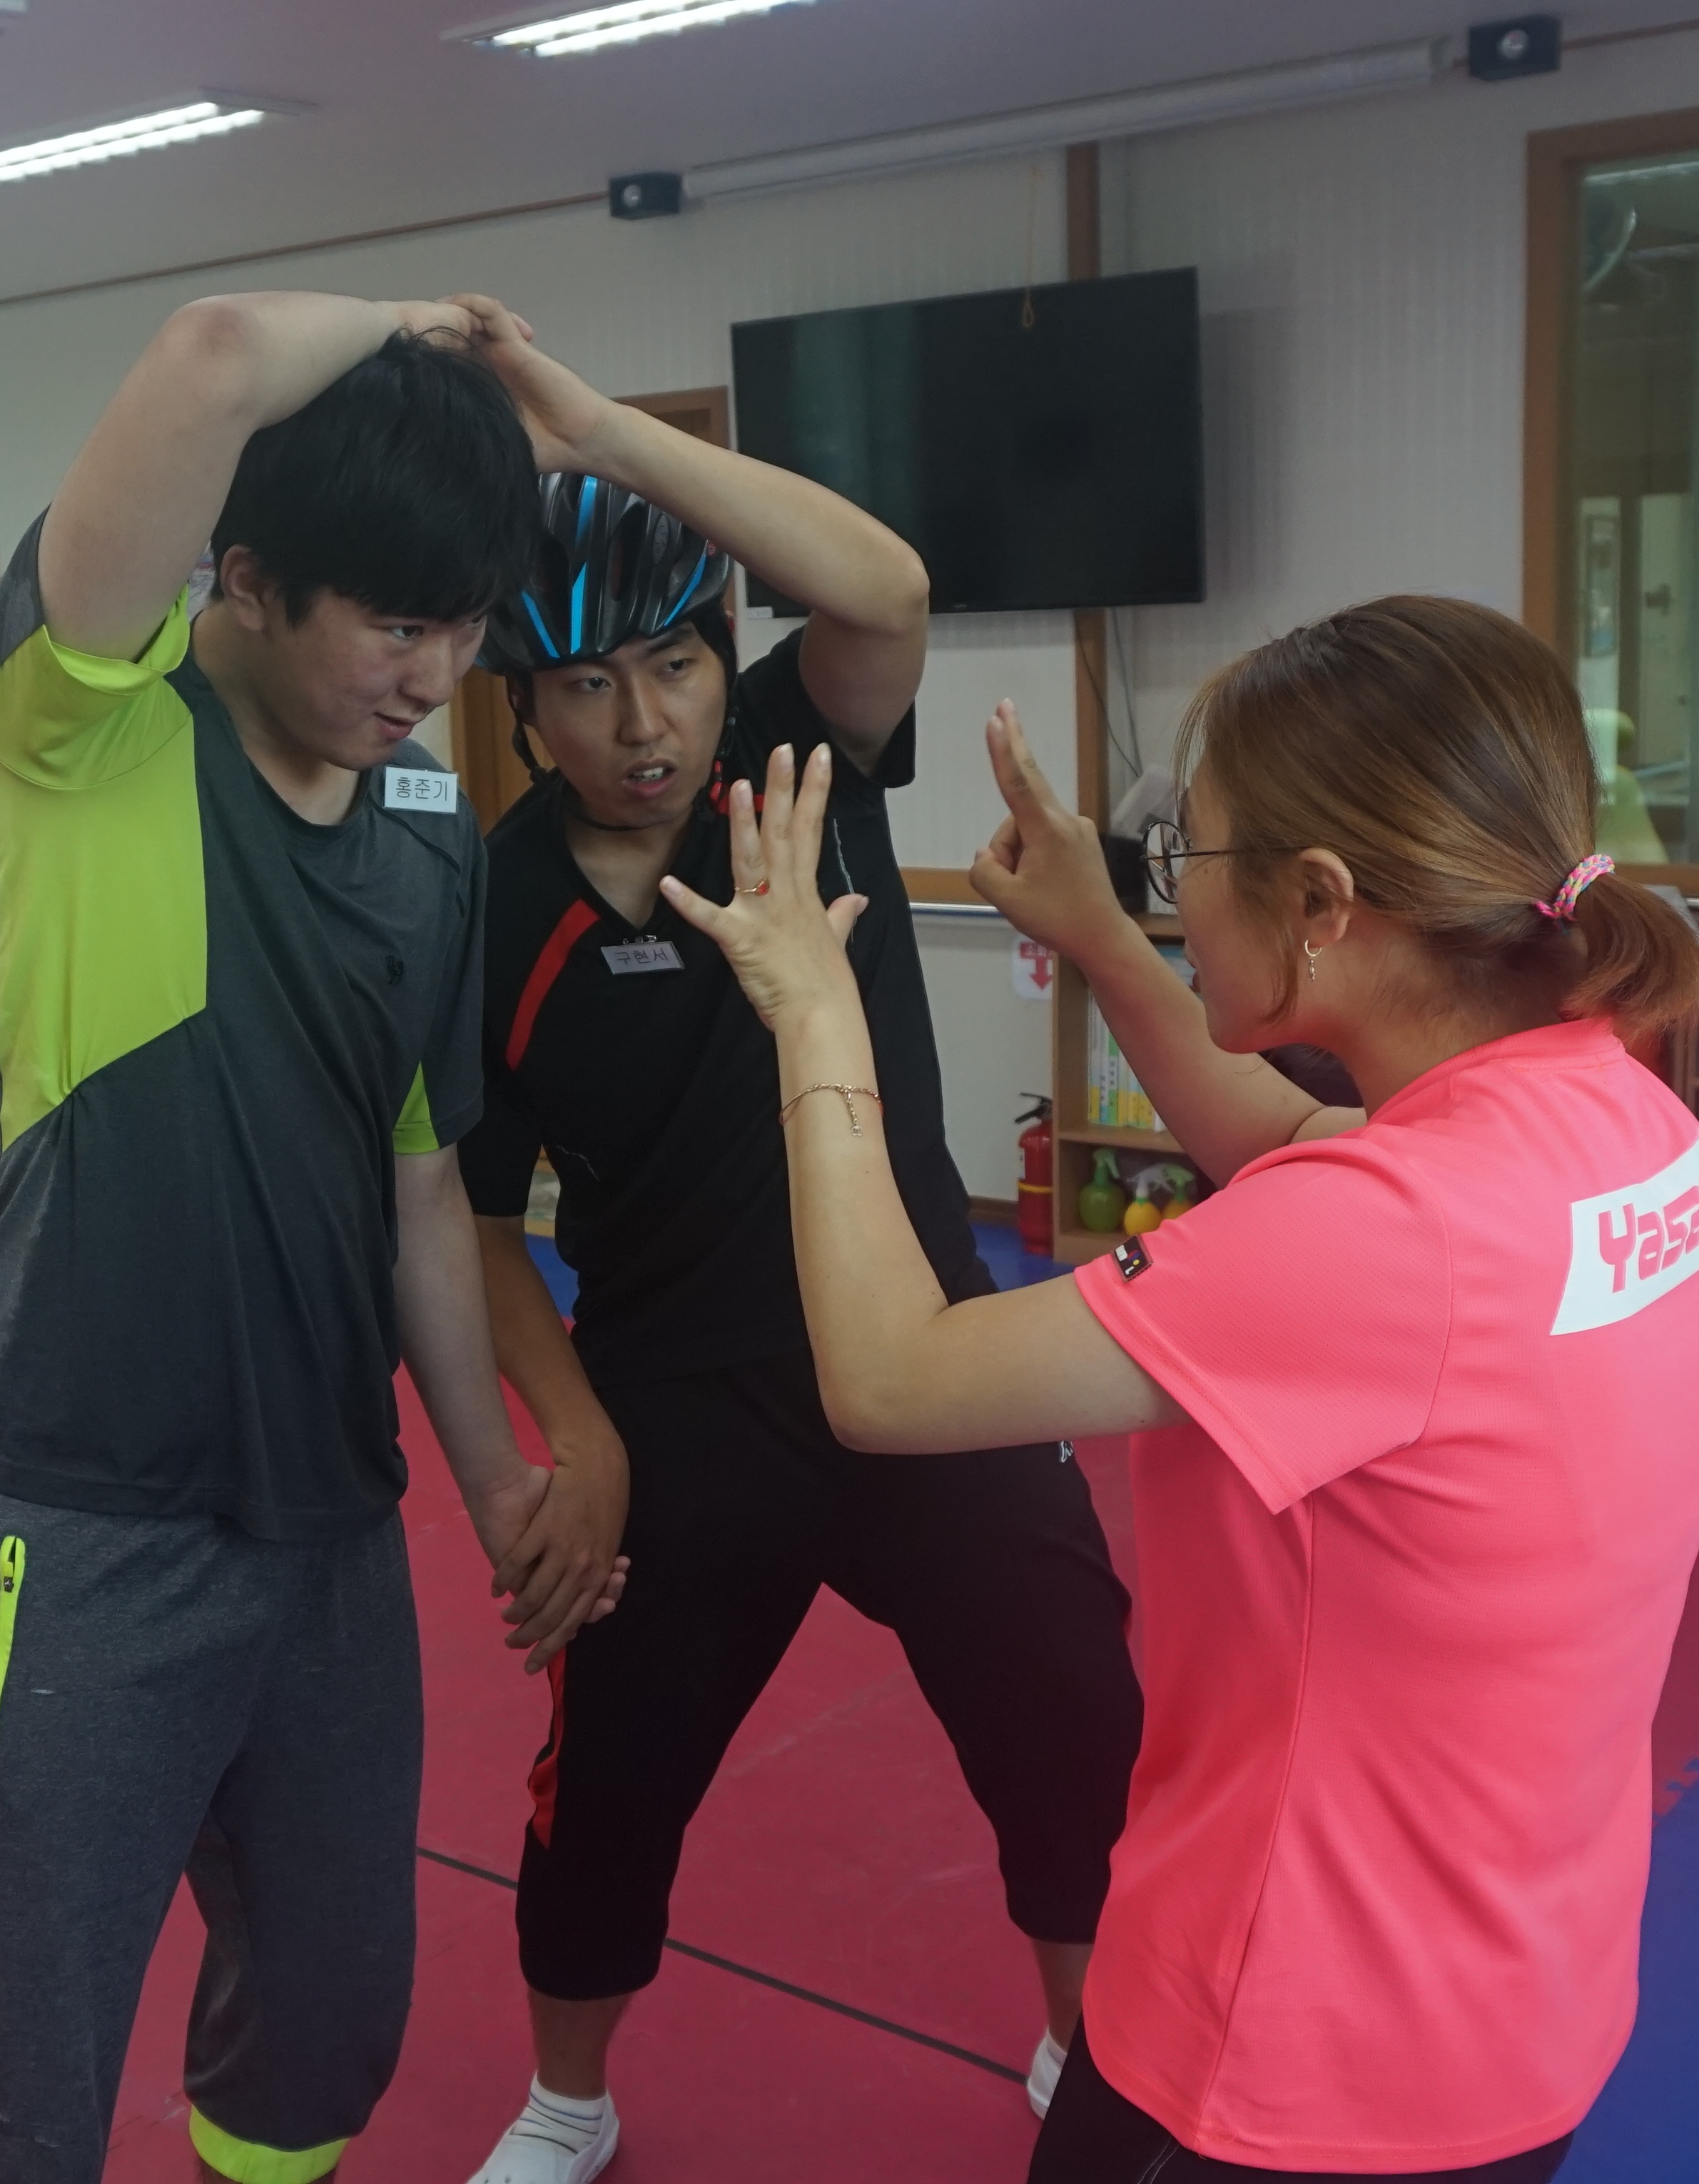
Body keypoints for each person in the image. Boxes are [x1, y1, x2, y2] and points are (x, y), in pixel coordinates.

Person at [665, 597, 1699, 2184]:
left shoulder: (1390, 1239)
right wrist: (1104, 933)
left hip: (1290, 2043)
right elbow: (1282, 1136)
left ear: (1322, 901)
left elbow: (890, 1379)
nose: (1177, 893)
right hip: (1509, 2005)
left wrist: (816, 1016)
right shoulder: (1614, 1115)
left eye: (1193, 861)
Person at [0, 294, 626, 2184]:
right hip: (79, 1516)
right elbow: (214, 354)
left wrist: (496, 1477)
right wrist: (425, 336)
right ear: (242, 579)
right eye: (395, 624)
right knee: (11, 2077)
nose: (435, 674)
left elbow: (419, 1187)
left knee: (328, 2014)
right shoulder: (80, 735)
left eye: (466, 628)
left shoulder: (428, 839)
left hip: (323, 1528)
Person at [440, 302, 1148, 2184]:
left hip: (933, 1357)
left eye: (675, 664)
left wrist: (595, 425)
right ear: (523, 710)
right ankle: (567, 2102)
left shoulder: (792, 756)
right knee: (607, 1782)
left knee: (1073, 1710)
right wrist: (574, 1432)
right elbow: (476, 1215)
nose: (644, 723)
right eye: (587, 685)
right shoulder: (491, 912)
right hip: (680, 1401)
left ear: (721, 660)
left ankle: (1091, 2058)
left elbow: (885, 585)